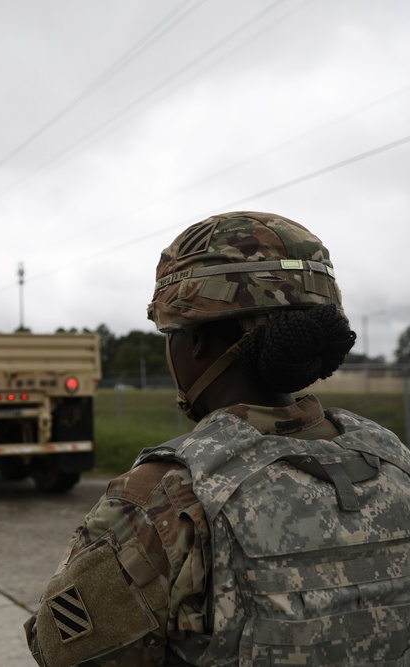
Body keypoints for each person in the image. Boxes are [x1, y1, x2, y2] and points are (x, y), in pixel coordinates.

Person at [25, 211, 410, 665]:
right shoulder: (395, 460)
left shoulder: (163, 498)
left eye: (171, 333)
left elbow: (58, 651)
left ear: (196, 344)